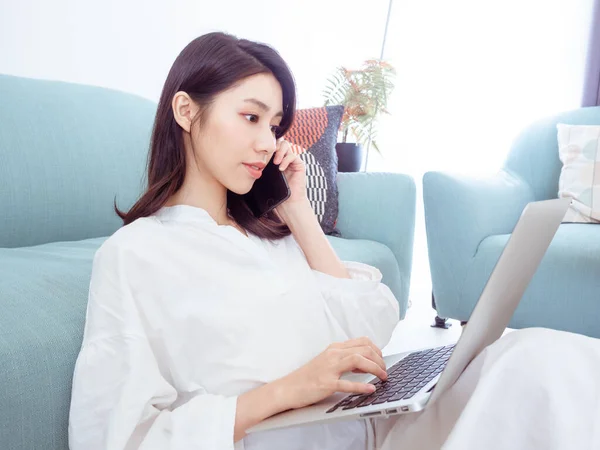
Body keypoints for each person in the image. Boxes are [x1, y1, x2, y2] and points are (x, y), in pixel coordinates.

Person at [68, 32, 600, 450]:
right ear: (187, 112)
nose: (265, 141)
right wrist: (289, 389)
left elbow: (373, 326)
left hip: (376, 428)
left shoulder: (269, 239)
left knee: (543, 355)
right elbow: (120, 437)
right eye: (250, 117)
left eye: (274, 124)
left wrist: (297, 212)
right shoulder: (136, 255)